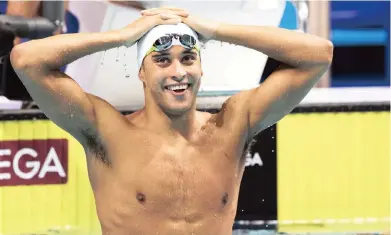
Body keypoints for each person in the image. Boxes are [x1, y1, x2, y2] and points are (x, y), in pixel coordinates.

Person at [10, 7, 333, 235]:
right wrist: (121, 37)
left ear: (201, 68)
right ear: (142, 72)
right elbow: (26, 60)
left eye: (188, 59)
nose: (178, 72)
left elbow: (319, 54)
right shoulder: (107, 130)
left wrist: (214, 30)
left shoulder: (233, 126)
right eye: (162, 61)